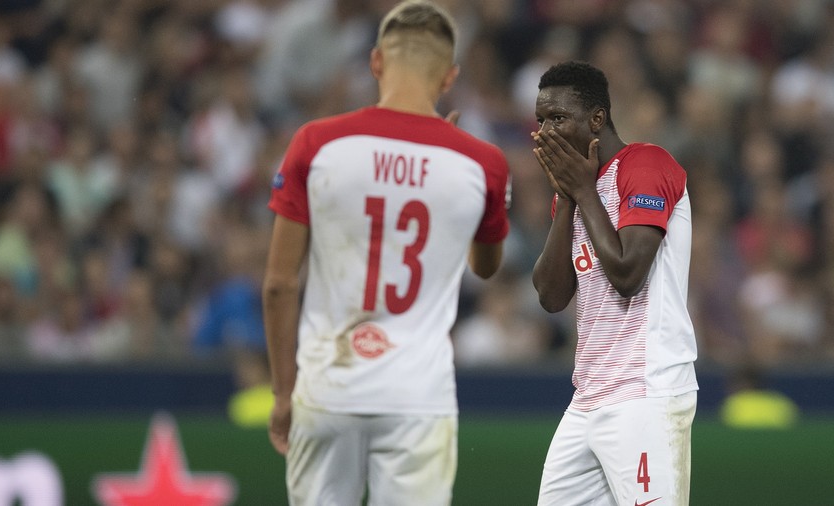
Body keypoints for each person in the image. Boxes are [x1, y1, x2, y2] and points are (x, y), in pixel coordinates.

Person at [262, 1, 510, 504]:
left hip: (328, 386)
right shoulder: (481, 163)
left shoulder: (316, 142)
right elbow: (485, 267)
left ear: (375, 62)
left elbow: (279, 283)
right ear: (449, 78)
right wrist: (453, 191)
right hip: (418, 398)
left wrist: (284, 392)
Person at [530, 60, 698, 506]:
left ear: (597, 119)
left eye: (559, 118)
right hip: (587, 398)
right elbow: (551, 296)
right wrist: (568, 198)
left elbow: (627, 275)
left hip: (646, 392)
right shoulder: (578, 188)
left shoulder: (646, 164)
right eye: (541, 120)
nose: (545, 131)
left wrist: (583, 192)